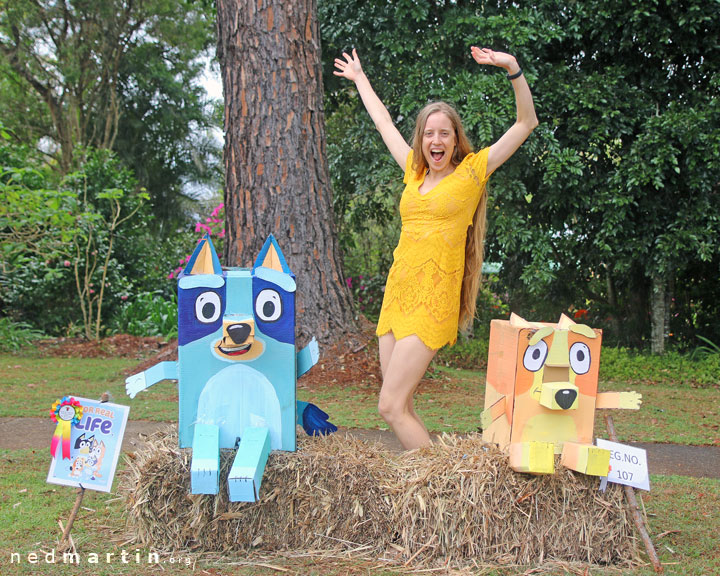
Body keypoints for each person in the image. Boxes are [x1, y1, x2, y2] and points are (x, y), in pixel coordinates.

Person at [334, 46, 538, 450]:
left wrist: (512, 67)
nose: (435, 139)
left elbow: (525, 122)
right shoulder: (413, 170)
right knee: (402, 402)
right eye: (429, 133)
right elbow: (382, 122)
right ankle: (424, 490)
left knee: (389, 405)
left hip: (433, 300)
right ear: (422, 140)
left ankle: (432, 484)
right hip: (397, 295)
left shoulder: (473, 172)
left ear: (455, 138)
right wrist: (360, 79)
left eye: (444, 132)